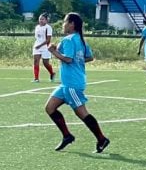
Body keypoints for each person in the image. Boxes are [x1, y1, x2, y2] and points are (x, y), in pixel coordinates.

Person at [45, 12, 109, 153]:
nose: (63, 24)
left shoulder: (69, 40)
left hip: (72, 84)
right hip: (67, 85)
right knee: (50, 108)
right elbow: (89, 57)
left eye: (65, 22)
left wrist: (53, 52)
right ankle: (67, 136)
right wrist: (62, 53)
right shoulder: (81, 40)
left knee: (82, 113)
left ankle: (101, 138)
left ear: (72, 24)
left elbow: (68, 59)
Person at [32, 13, 55, 83]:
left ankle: (52, 73)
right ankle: (36, 78)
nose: (41, 20)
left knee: (45, 63)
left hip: (45, 47)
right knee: (36, 61)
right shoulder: (37, 27)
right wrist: (37, 45)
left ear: (46, 20)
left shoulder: (48, 28)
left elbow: (48, 40)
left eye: (43, 19)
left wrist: (40, 45)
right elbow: (37, 37)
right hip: (37, 46)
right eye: (40, 19)